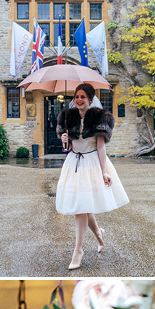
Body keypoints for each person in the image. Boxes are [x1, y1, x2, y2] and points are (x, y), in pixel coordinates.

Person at [55, 81, 129, 271]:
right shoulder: (66, 117)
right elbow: (68, 147)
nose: (79, 100)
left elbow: (101, 147)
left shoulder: (100, 117)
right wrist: (65, 140)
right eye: (77, 97)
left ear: (90, 99)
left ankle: (78, 250)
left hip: (91, 164)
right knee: (83, 206)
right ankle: (99, 234)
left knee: (82, 207)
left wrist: (104, 171)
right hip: (74, 164)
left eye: (83, 97)